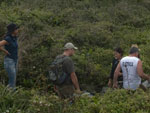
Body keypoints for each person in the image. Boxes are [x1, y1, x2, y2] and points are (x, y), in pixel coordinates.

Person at [0, 23, 19, 89]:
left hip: (15, 59)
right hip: (9, 60)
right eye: (16, 29)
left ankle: (12, 94)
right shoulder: (8, 38)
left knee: (13, 79)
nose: (17, 30)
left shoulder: (15, 37)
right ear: (12, 30)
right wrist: (5, 51)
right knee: (12, 79)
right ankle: (10, 94)